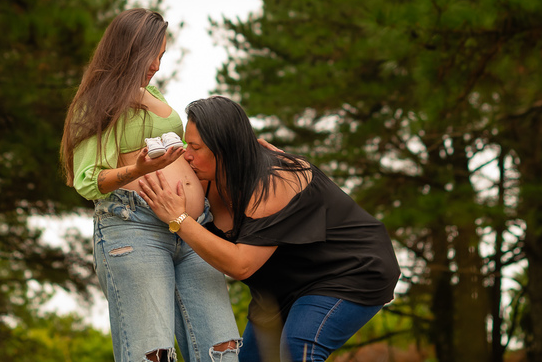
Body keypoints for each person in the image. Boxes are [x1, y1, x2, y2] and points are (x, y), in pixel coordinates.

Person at [137, 97, 400, 362]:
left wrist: (179, 220)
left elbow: (241, 265)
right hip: (281, 287)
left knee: (298, 350)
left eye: (195, 146)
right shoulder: (208, 175)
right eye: (186, 144)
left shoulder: (273, 181)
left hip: (349, 270)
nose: (187, 154)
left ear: (226, 148)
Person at [60, 9, 241, 362]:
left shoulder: (152, 91)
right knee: (153, 354)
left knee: (222, 348)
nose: (157, 65)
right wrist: (136, 170)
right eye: (152, 56)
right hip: (134, 227)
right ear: (129, 51)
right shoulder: (93, 103)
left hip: (193, 229)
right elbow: (86, 181)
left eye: (161, 56)